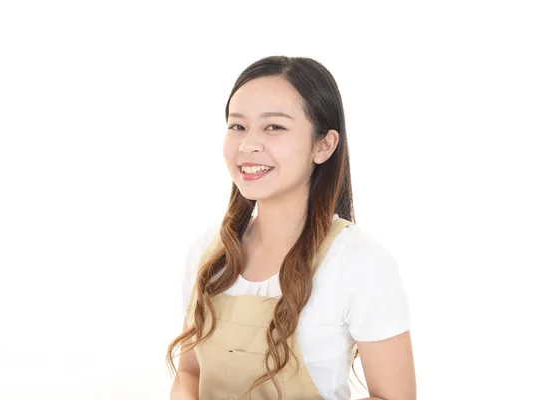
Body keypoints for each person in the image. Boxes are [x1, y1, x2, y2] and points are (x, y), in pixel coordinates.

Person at [166, 56, 416, 400]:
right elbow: (190, 371)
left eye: (274, 127)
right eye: (237, 126)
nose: (248, 144)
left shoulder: (360, 261)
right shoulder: (210, 250)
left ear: (323, 145)